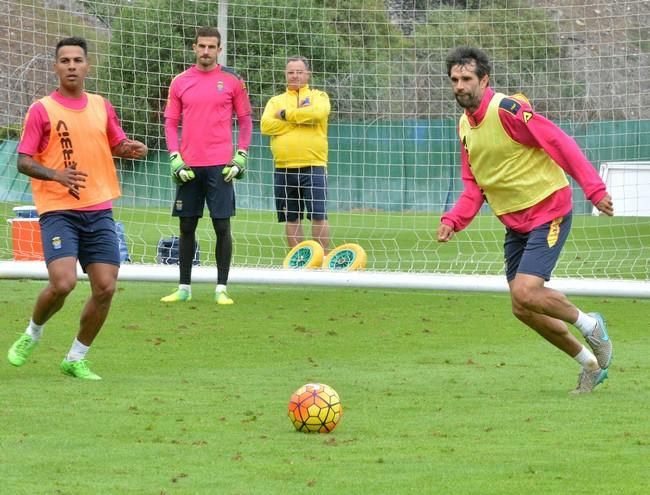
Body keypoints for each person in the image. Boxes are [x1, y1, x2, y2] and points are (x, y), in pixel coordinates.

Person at [437, 47, 614, 394]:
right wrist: (454, 219)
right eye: (455, 80)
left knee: (526, 290)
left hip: (549, 210)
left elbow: (559, 142)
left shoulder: (508, 110)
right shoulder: (463, 127)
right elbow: (475, 185)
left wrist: (593, 189)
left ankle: (592, 325)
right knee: (522, 306)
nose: (459, 86)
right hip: (516, 222)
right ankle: (589, 365)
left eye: (467, 79)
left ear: (484, 80)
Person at [7, 36, 148, 380]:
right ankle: (32, 333)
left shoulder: (101, 105)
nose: (71, 65)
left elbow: (115, 142)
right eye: (65, 60)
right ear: (56, 67)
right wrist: (56, 174)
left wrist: (129, 148)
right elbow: (23, 161)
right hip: (59, 210)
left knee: (106, 287)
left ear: (87, 66)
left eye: (77, 60)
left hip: (98, 208)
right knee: (64, 283)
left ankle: (75, 357)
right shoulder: (42, 109)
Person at [161, 26, 252, 305]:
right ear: (194, 47)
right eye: (202, 46)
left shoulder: (233, 80)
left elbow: (246, 121)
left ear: (219, 50)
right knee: (187, 226)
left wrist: (241, 154)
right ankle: (184, 287)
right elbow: (169, 123)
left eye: (211, 47)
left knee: (222, 226)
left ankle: (221, 288)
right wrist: (175, 155)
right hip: (189, 165)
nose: (206, 51)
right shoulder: (179, 82)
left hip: (220, 167)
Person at [260, 56, 331, 252]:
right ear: (285, 74)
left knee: (319, 215)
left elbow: (317, 114)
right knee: (291, 217)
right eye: (291, 72)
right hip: (283, 168)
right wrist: (301, 120)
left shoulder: (319, 96)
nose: (295, 76)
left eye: (299, 72)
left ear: (308, 74)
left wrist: (285, 115)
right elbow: (265, 125)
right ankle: (299, 261)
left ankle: (321, 260)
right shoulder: (276, 101)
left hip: (314, 165)